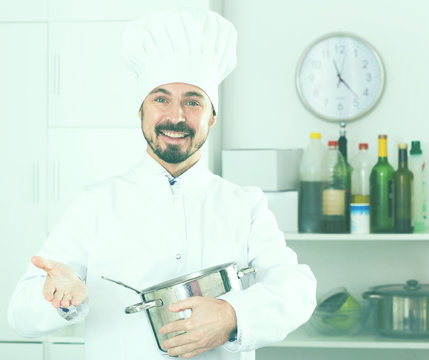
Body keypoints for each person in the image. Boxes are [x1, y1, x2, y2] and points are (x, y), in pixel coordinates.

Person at [8, 7, 316, 360]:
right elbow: (19, 314)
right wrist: (58, 299)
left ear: (212, 117)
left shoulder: (244, 205)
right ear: (141, 111)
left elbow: (297, 289)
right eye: (161, 98)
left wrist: (234, 316)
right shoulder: (95, 203)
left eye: (193, 101)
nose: (176, 116)